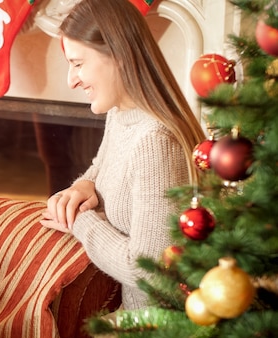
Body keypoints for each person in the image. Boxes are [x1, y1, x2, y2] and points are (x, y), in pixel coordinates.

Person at [40, 0, 206, 310]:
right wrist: (82, 186)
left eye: (77, 63)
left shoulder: (156, 141)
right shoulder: (122, 113)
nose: (71, 80)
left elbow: (148, 271)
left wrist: (79, 220)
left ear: (117, 55)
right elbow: (101, 167)